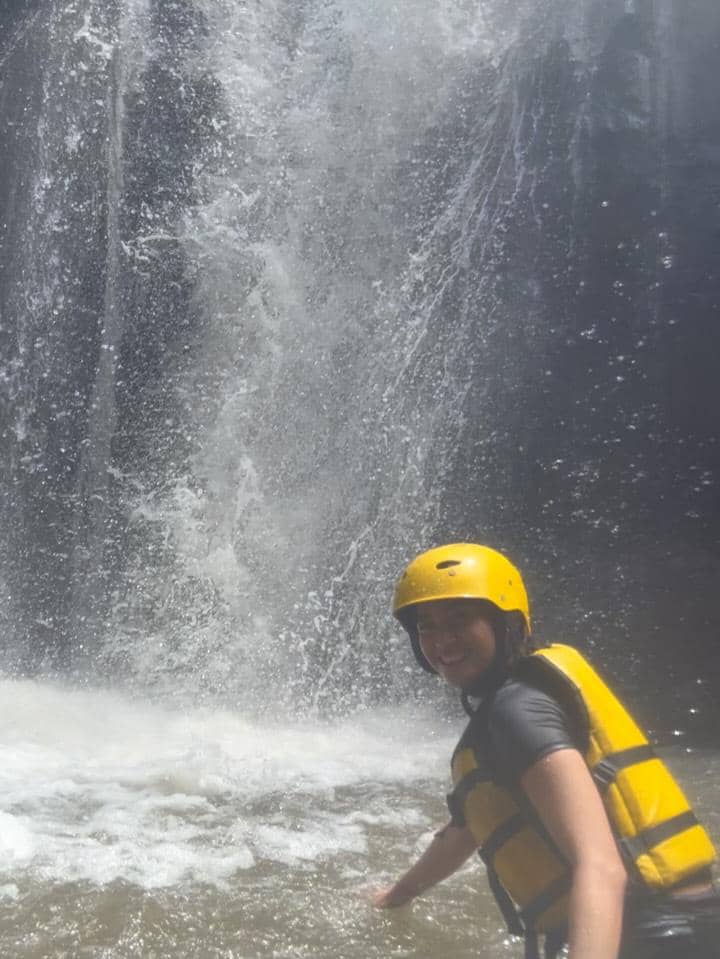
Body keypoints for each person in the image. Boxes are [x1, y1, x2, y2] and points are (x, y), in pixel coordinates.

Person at [372, 543, 719, 959]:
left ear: (505, 622)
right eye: (426, 625)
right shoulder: (515, 705)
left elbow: (601, 866)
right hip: (673, 925)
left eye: (459, 618)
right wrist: (397, 895)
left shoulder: (517, 712)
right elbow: (467, 828)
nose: (441, 639)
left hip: (652, 935)